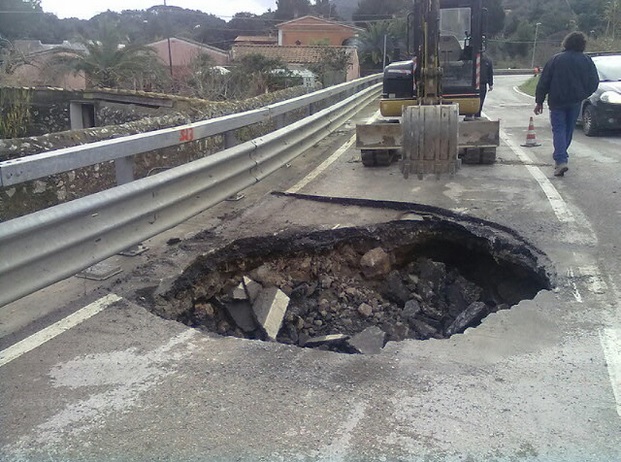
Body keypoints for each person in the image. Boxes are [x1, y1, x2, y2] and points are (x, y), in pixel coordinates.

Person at [534, 31, 599, 177]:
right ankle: (561, 157)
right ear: (582, 44)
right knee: (568, 131)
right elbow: (594, 82)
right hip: (575, 101)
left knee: (558, 130)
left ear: (566, 43)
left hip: (557, 102)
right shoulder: (586, 60)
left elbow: (543, 82)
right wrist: (583, 94)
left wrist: (539, 101)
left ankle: (561, 159)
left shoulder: (555, 60)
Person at [476, 54, 494, 118]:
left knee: (481, 100)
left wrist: (490, 84)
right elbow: (490, 73)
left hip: (482, 84)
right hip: (475, 84)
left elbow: (490, 73)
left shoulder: (487, 61)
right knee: (479, 100)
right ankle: (476, 113)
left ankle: (478, 113)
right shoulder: (474, 59)